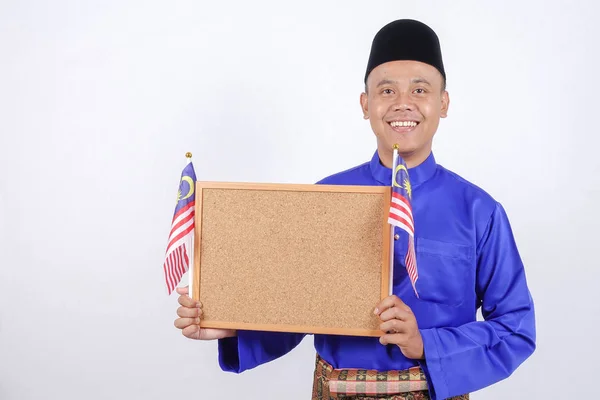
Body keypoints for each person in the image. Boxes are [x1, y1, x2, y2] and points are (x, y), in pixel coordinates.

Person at [174, 19, 536, 400]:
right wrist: (229, 326)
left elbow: (516, 328)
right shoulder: (326, 198)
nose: (403, 103)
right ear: (366, 105)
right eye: (386, 90)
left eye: (420, 89)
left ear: (443, 103)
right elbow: (296, 306)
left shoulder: (479, 211)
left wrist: (425, 343)